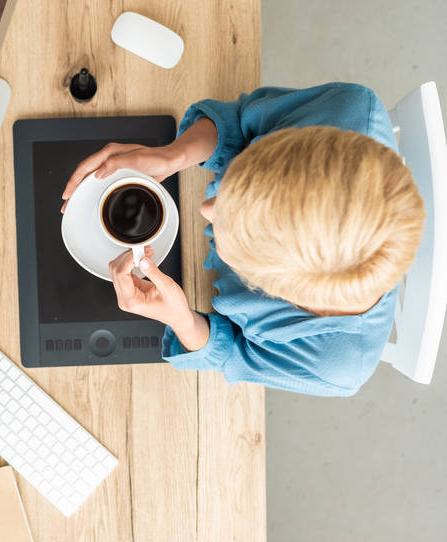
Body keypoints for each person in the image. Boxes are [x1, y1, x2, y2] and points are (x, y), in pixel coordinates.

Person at [61, 83, 426, 396]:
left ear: (280, 290)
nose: (205, 209)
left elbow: (233, 356)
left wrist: (182, 320)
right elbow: (241, 123)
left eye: (230, 228)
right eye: (238, 178)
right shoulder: (348, 110)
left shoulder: (335, 365)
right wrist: (173, 155)